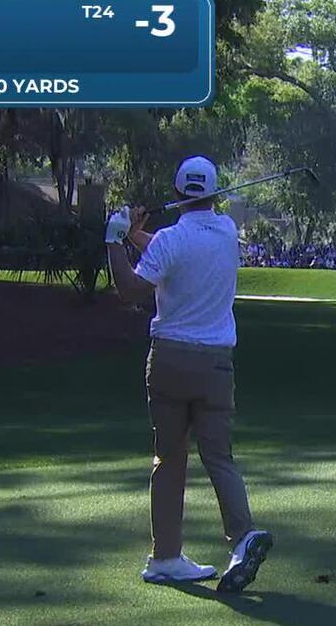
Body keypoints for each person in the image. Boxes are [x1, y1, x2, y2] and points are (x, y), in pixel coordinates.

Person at [105, 156, 274, 592]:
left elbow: (129, 289)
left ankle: (164, 556)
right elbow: (172, 251)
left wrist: (115, 239)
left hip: (169, 360)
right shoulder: (225, 234)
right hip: (216, 363)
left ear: (177, 193)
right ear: (214, 194)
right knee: (218, 455)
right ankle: (242, 536)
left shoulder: (170, 241)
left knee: (168, 458)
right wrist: (137, 236)